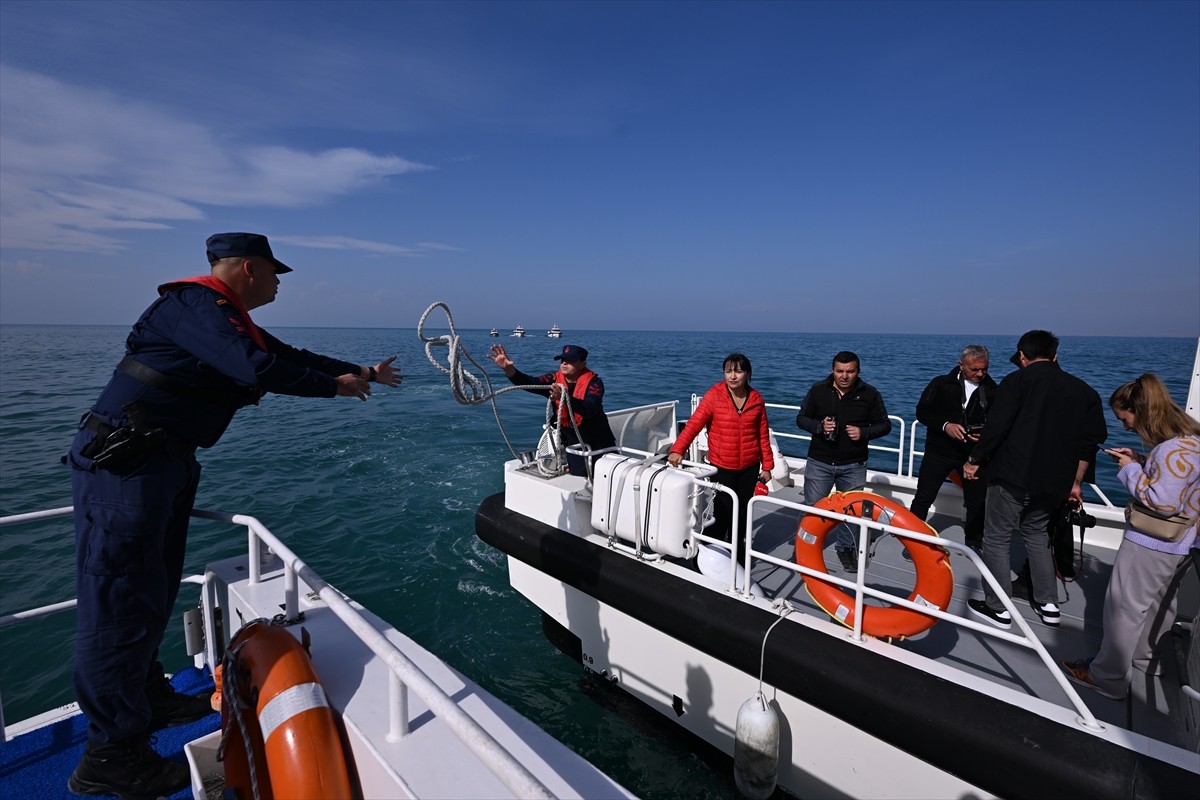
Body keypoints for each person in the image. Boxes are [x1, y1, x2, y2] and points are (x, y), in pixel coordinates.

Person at [65, 233, 401, 799]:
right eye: (275, 274)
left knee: (151, 591)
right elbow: (252, 368)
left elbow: (285, 357)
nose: (278, 284)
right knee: (119, 602)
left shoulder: (223, 315)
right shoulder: (195, 306)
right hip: (127, 471)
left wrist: (360, 371)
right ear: (250, 268)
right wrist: (332, 390)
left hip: (158, 465)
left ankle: (148, 697)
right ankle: (110, 754)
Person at [1061, 374, 1200, 699]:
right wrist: (1141, 461)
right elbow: (1177, 486)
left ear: (1143, 411)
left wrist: (1130, 469)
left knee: (1123, 606)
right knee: (1157, 605)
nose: (1125, 427)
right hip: (1181, 542)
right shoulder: (1190, 439)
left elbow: (1164, 502)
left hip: (1152, 541)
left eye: (1126, 419)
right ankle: (1149, 660)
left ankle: (1107, 677)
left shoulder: (1170, 451)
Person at [962, 330, 1106, 630]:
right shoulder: (1084, 391)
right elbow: (1090, 441)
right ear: (1055, 355)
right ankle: (1048, 603)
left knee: (997, 538)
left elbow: (996, 428)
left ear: (1023, 356)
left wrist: (974, 461)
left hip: (1013, 474)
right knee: (1038, 534)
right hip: (1056, 482)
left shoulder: (1016, 382)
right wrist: (1076, 482)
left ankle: (997, 607)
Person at [667, 353, 774, 559]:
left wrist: (767, 466)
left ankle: (738, 552)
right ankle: (707, 552)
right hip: (722, 465)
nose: (733, 376)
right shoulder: (714, 396)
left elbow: (762, 434)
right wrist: (678, 449)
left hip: (749, 467)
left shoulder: (756, 399)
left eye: (738, 371)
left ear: (748, 374)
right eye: (728, 371)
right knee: (723, 512)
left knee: (743, 512)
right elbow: (694, 424)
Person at [795, 351, 892, 571]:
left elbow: (885, 425)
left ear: (858, 371)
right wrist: (819, 427)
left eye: (850, 371)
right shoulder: (818, 390)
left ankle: (845, 549)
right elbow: (801, 419)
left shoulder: (870, 394)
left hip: (854, 464)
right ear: (833, 370)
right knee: (813, 509)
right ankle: (802, 549)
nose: (845, 376)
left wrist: (864, 432)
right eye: (840, 371)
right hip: (819, 461)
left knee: (852, 511)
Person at [910, 345, 997, 551]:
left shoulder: (994, 391)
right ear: (961, 365)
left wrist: (983, 435)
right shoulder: (940, 384)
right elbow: (922, 412)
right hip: (938, 452)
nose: (980, 374)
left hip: (973, 456)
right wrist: (945, 426)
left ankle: (974, 543)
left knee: (977, 502)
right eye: (974, 369)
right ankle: (912, 539)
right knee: (924, 496)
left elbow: (998, 425)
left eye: (984, 369)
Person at [489, 342, 616, 475]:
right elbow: (529, 383)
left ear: (582, 364)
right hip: (573, 444)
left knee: (607, 477)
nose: (564, 364)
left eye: (570, 361)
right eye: (562, 360)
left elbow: (591, 408)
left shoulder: (595, 383)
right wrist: (508, 369)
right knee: (579, 477)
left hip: (599, 442)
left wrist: (565, 398)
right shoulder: (553, 380)